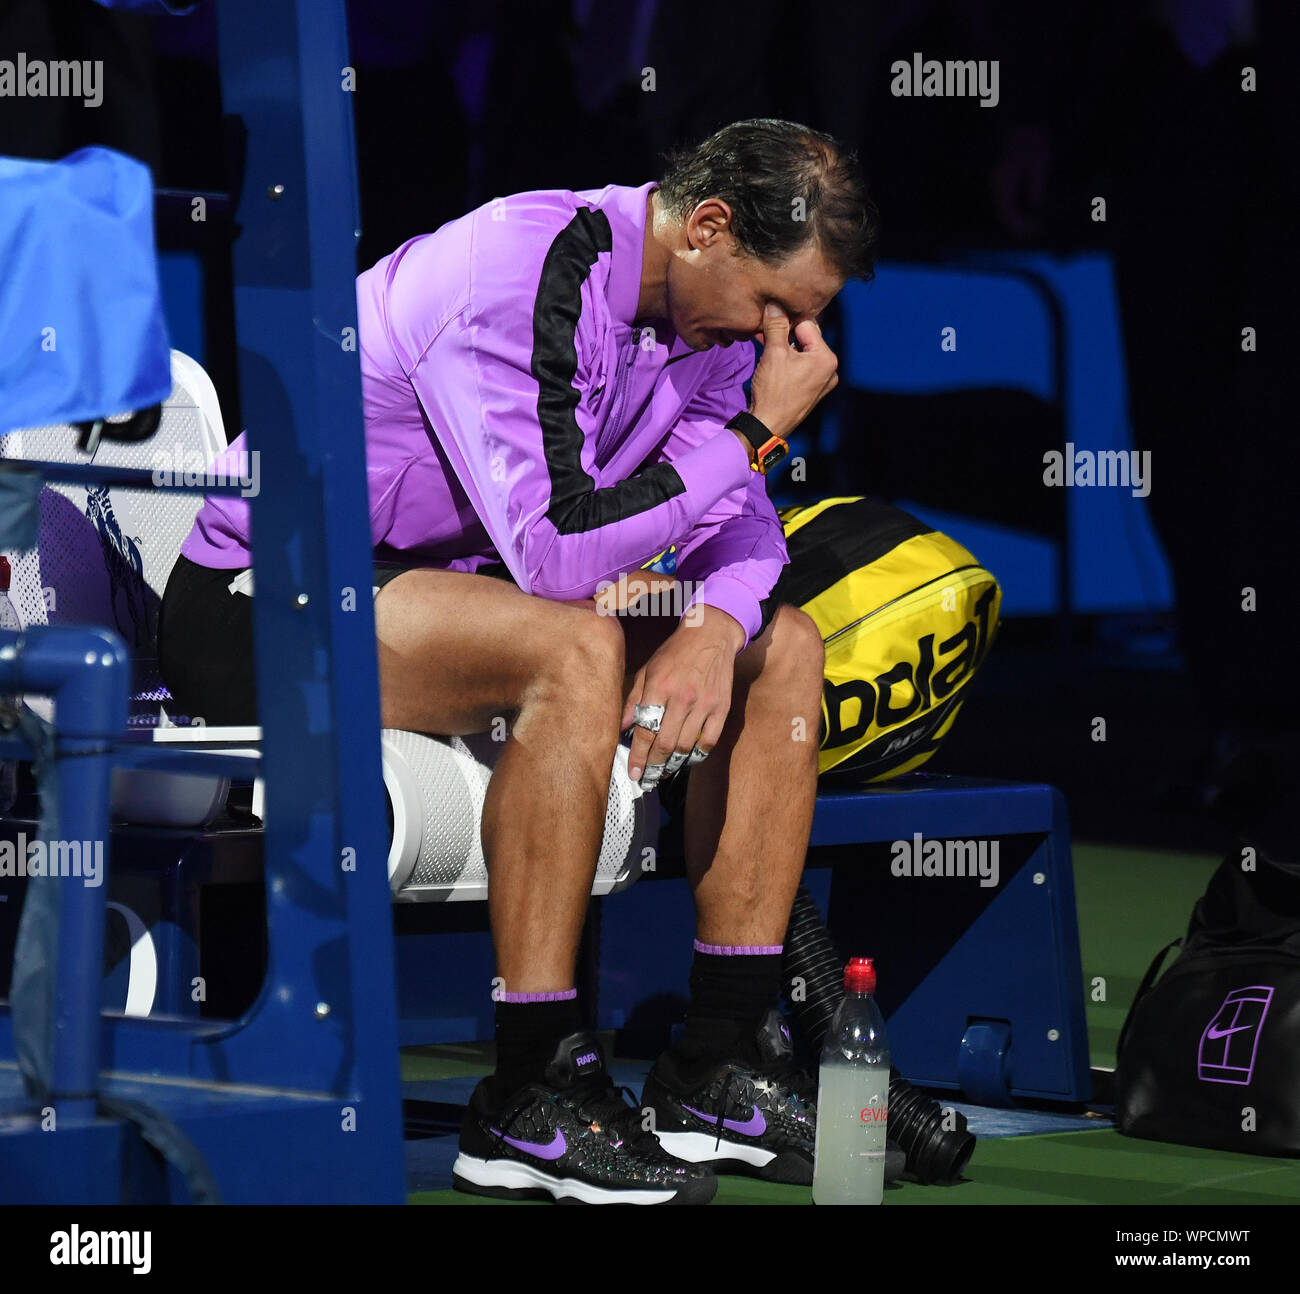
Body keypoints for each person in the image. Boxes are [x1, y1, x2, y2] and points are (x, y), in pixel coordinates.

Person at [158, 118, 879, 1204]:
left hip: (457, 603)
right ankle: (528, 1092)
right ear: (710, 228)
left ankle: (718, 1062)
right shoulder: (522, 272)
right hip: (269, 595)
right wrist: (750, 438)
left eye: (811, 319)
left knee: (785, 647)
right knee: (577, 642)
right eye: (779, 305)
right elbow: (553, 551)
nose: (789, 343)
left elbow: (747, 538)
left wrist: (715, 628)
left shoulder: (715, 328)